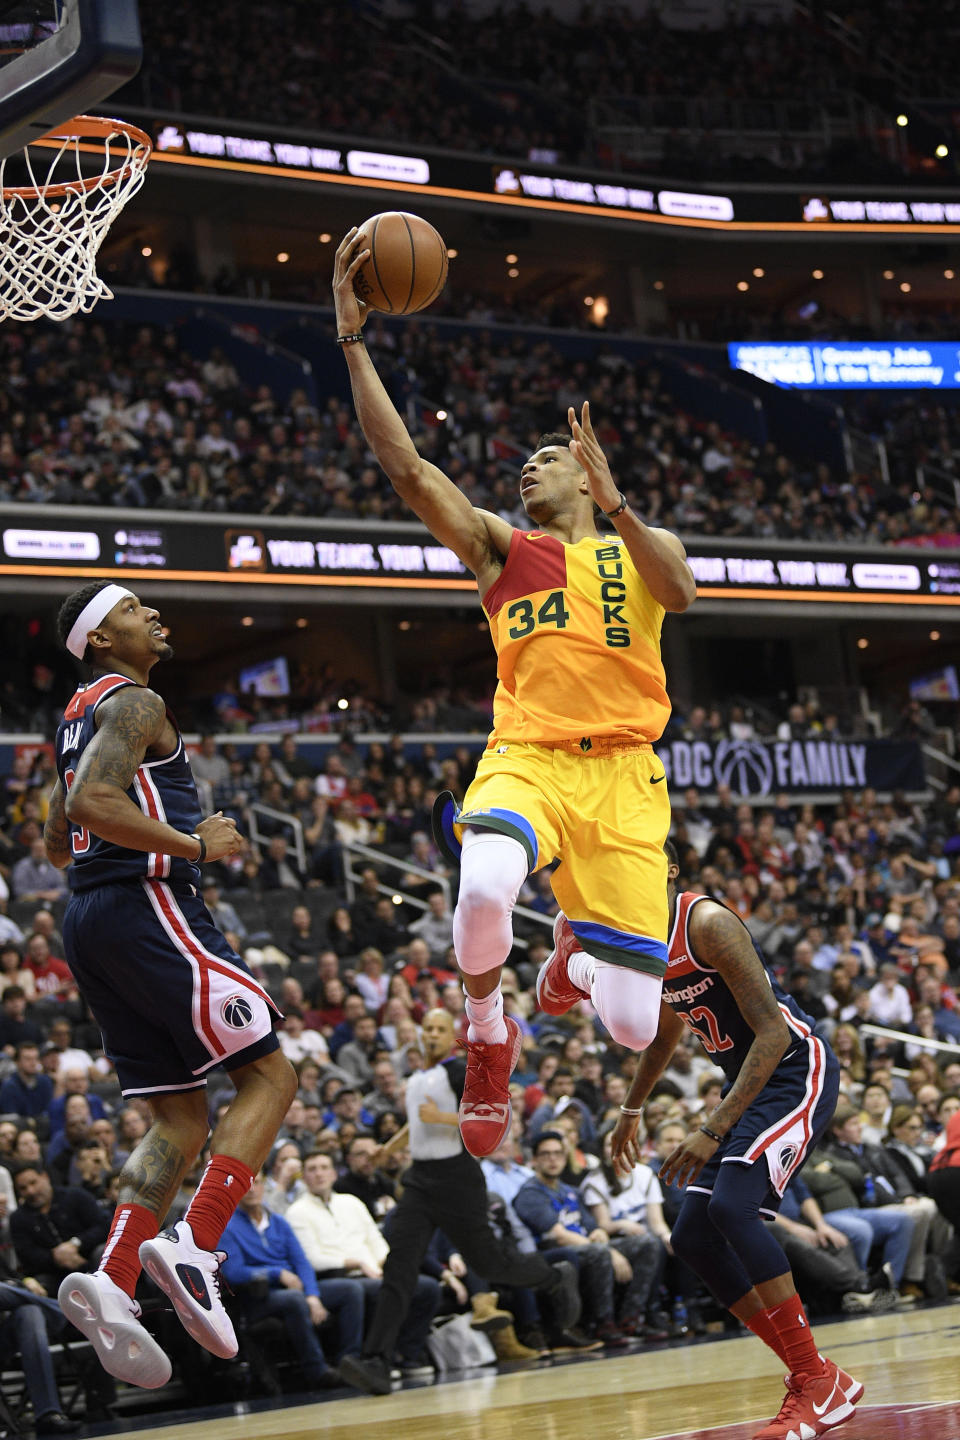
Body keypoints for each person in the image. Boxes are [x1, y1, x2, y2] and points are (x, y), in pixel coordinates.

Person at [332, 235, 695, 1159]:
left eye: (545, 458)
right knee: (486, 882)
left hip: (624, 778)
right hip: (529, 759)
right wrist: (353, 343)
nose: (528, 470)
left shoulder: (641, 545)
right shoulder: (504, 548)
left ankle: (571, 955)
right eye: (524, 463)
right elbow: (408, 469)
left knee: (629, 1025)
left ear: (586, 470)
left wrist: (620, 509)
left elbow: (684, 595)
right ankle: (487, 1029)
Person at [44, 581, 298, 1390]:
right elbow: (91, 800)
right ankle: (195, 1246)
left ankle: (114, 1279)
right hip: (151, 909)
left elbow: (60, 832)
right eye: (131, 610)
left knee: (181, 1119)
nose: (152, 614)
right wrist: (191, 845)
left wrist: (108, 854)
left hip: (91, 921)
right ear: (100, 640)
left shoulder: (78, 716)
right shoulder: (137, 702)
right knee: (271, 1073)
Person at [611, 843, 861, 1440]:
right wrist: (631, 1108)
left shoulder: (707, 923)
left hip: (793, 1070)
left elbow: (772, 1034)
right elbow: (666, 1030)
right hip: (749, 1081)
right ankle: (820, 1376)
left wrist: (710, 1128)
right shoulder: (642, 943)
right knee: (693, 1236)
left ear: (670, 869)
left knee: (731, 1207)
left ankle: (812, 1379)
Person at [335, 1009, 581, 1395]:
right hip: (419, 1180)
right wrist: (390, 1148)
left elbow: (485, 1116)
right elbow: (417, 1122)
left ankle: (553, 1277)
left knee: (490, 1264)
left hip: (457, 1179)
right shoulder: (417, 1077)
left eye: (438, 1029)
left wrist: (442, 1117)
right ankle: (376, 1361)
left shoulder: (457, 1070)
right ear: (419, 1034)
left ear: (450, 1035)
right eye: (426, 1028)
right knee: (399, 1265)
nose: (431, 1034)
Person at [219, 1171, 347, 1391]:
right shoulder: (227, 1227)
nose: (251, 1189)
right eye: (244, 1185)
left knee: (350, 1290)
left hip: (293, 1289)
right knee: (295, 1300)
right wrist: (277, 1274)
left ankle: (350, 1362)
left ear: (264, 1188)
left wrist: (313, 1296)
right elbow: (234, 1272)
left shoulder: (279, 1222)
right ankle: (317, 1371)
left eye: (257, 1183)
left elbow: (302, 1263)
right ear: (234, 1191)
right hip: (256, 1298)